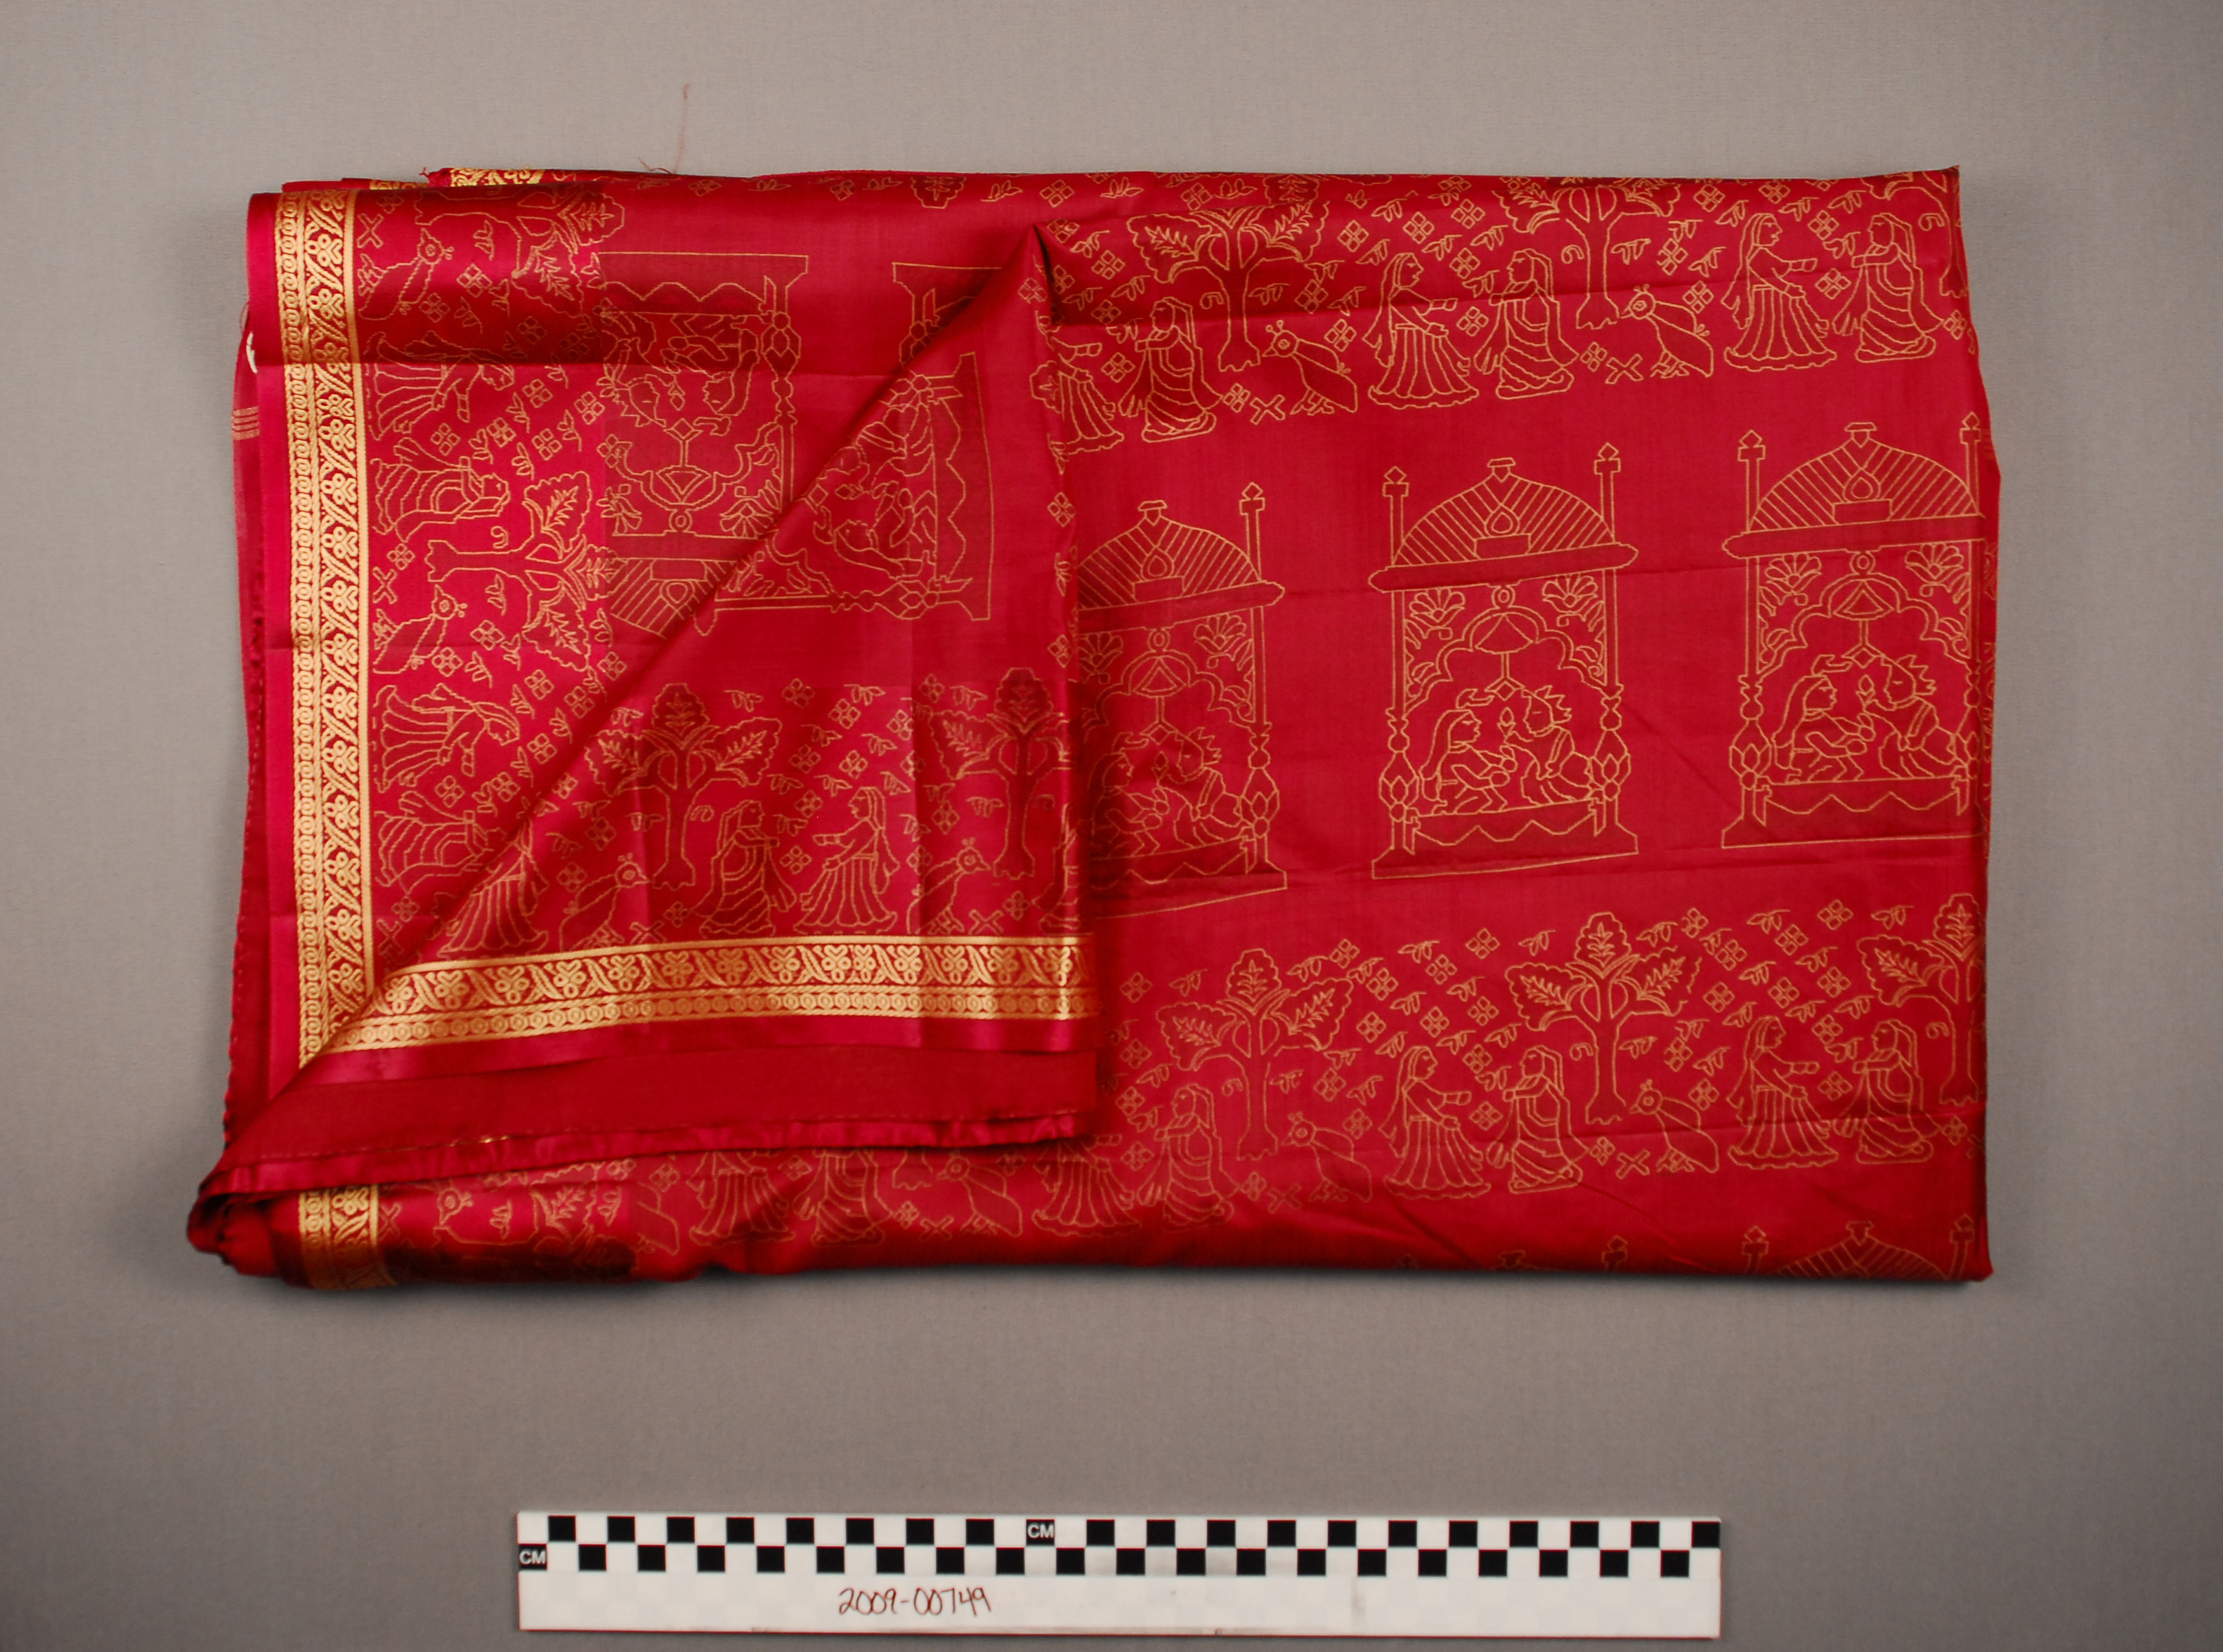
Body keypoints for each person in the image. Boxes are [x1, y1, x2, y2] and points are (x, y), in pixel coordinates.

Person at [1723, 214, 1836, 371]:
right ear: (1757, 232)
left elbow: (1780, 266)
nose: (1777, 231)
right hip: (1767, 299)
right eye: (1770, 226)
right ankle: (1771, 353)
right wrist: (1789, 289)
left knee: (1784, 325)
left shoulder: (1763, 254)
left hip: (1777, 297)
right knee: (1768, 326)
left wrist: (1800, 265)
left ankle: (1791, 347)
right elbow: (1769, 277)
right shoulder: (1757, 255)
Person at [1366, 252, 1479, 407]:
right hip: (1410, 338)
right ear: (1399, 272)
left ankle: (1457, 360)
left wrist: (1444, 305)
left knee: (1434, 348)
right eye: (1412, 266)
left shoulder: (1405, 293)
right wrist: (1429, 328)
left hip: (1419, 336)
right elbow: (1412, 316)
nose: (1419, 269)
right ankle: (1456, 361)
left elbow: (1425, 306)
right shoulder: (1399, 295)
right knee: (1413, 363)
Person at [1727, 1016, 1837, 1168]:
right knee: (1770, 1126)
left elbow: (1782, 1068)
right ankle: (1774, 1150)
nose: (1782, 1034)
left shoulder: (1766, 1055)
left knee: (1781, 1124)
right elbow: (1771, 1077)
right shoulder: (1762, 1056)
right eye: (1776, 1031)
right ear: (1764, 1035)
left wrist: (1801, 1068)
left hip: (1776, 1097)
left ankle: (1790, 1146)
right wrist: (1790, 1090)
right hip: (1769, 1099)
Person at [1833, 213, 1940, 362]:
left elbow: (1884, 258)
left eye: (1874, 230)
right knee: (1870, 322)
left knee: (1898, 324)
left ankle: (1906, 345)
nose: (1870, 232)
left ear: (1887, 233)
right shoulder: (1873, 250)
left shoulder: (1893, 250)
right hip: (1876, 303)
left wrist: (1860, 260)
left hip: (1896, 299)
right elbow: (1865, 277)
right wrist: (1856, 304)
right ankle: (1877, 347)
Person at [1473, 248, 1576, 399]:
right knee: (1510, 361)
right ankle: (1521, 381)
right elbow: (1502, 325)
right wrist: (1493, 345)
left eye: (1518, 262)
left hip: (1537, 347)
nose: (1510, 267)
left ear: (1532, 268)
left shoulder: (1535, 293)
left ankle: (1542, 379)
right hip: (1513, 348)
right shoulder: (1511, 290)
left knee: (1531, 363)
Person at [1843, 1019, 1934, 1162]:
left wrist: (1864, 1065)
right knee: (1874, 1129)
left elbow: (1887, 1063)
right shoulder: (1875, 1056)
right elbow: (1865, 1081)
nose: (1875, 1037)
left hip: (1894, 1102)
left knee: (1896, 1128)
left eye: (1881, 1033)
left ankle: (1905, 1149)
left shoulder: (1894, 1055)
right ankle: (1875, 1148)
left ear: (1892, 1037)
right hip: (1875, 1106)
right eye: (1876, 1034)